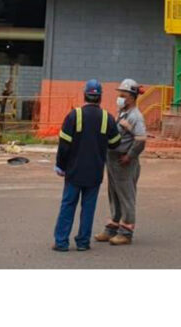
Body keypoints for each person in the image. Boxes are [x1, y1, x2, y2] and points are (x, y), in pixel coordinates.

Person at [52, 78, 123, 252]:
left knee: (68, 206)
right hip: (94, 172)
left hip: (74, 171)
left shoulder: (74, 115)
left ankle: (61, 242)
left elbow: (64, 145)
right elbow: (115, 143)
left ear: (84, 94)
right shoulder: (107, 118)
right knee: (88, 209)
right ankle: (83, 242)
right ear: (100, 97)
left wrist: (60, 165)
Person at [98, 79, 148, 245]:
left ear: (132, 97)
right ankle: (112, 228)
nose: (119, 98)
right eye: (119, 95)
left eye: (123, 95)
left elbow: (140, 140)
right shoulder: (122, 112)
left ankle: (126, 233)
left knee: (126, 196)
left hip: (124, 161)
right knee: (114, 194)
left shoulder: (135, 117)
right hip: (113, 160)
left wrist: (129, 156)